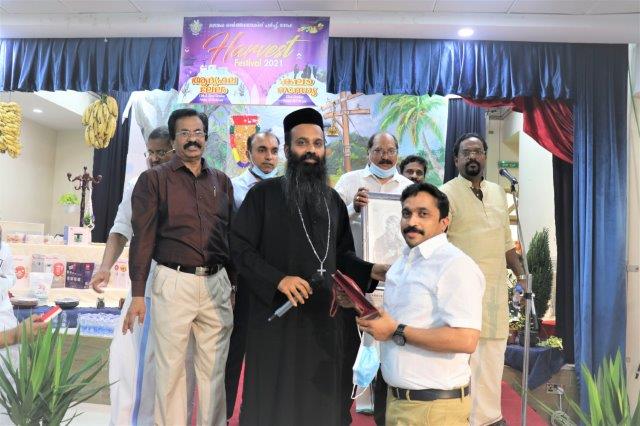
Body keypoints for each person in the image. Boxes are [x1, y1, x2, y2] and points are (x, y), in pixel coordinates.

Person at [230, 107, 387, 426]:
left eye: (317, 143)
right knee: (275, 404)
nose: (311, 150)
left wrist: (371, 270)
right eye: (302, 143)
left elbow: (341, 255)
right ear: (289, 150)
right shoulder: (263, 196)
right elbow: (239, 248)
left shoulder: (333, 201)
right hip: (277, 320)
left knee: (321, 403)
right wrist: (278, 279)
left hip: (323, 323)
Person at [124, 108, 235, 426]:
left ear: (206, 138)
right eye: (184, 133)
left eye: (198, 132)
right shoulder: (154, 180)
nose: (192, 139)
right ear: (173, 140)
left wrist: (233, 285)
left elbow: (230, 236)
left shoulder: (221, 181)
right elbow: (142, 237)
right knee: (171, 371)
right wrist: (137, 294)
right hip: (173, 281)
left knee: (214, 372)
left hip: (217, 283)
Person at [89, 127, 198, 426]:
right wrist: (104, 267)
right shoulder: (140, 183)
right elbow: (120, 230)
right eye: (150, 152)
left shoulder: (197, 186)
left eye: (161, 151)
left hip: (187, 294)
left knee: (180, 373)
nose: (154, 158)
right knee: (135, 369)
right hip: (146, 292)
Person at [356, 182, 485, 425]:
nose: (412, 221)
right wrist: (363, 309)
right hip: (396, 401)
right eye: (406, 213)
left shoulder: (455, 265)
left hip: (433, 409)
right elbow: (400, 319)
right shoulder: (403, 263)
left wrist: (396, 330)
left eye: (423, 214)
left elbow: (466, 339)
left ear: (444, 222)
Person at [440, 132, 525, 426]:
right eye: (466, 153)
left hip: (495, 292)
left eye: (477, 152)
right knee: (464, 358)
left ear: (485, 156)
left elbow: (506, 243)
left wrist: (521, 274)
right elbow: (438, 243)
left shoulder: (498, 193)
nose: (472, 157)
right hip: (461, 292)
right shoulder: (445, 194)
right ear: (456, 160)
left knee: (492, 355)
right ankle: (463, 418)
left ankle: (489, 417)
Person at [334, 132, 412, 424]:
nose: (385, 156)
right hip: (355, 285)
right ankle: (340, 416)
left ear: (397, 153)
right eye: (378, 150)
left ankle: (385, 417)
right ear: (368, 153)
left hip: (395, 284)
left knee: (391, 358)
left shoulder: (408, 188)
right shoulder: (349, 182)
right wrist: (353, 208)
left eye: (390, 150)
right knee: (347, 356)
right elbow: (331, 224)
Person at [226, 131, 281, 419]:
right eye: (262, 150)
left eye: (274, 150)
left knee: (269, 353)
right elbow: (229, 238)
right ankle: (223, 414)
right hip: (245, 281)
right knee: (235, 349)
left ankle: (258, 414)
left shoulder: (287, 189)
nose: (268, 157)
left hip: (277, 283)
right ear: (248, 154)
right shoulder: (234, 188)